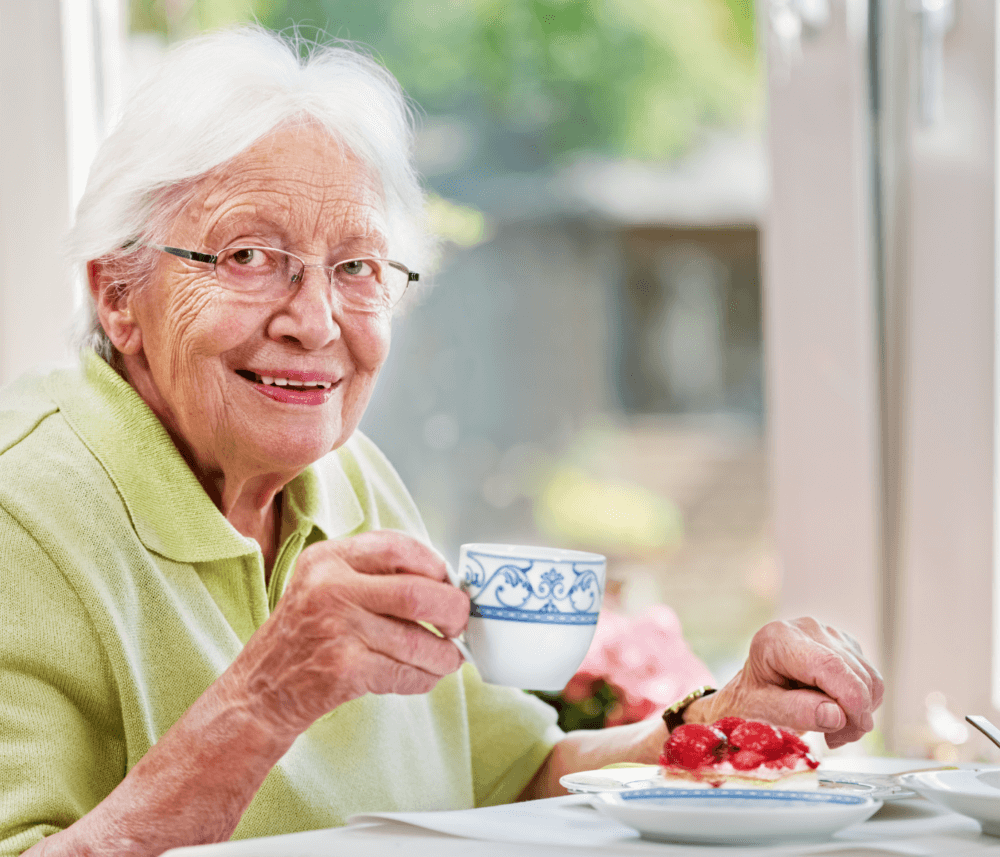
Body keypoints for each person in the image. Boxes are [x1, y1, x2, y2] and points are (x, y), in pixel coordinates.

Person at [0, 26, 882, 857]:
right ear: (119, 293)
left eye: (356, 268)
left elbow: (513, 778)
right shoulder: (24, 507)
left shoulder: (350, 478)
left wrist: (722, 718)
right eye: (246, 257)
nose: (315, 322)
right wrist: (267, 700)